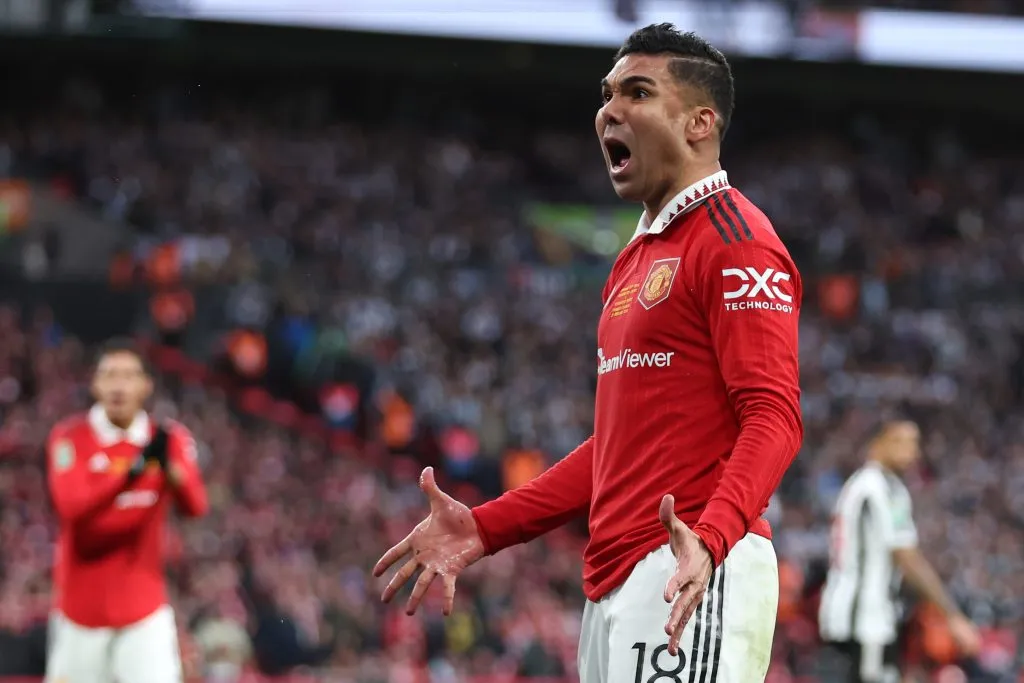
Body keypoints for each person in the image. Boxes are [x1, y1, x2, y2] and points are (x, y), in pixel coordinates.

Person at [374, 23, 803, 683]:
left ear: (699, 122)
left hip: (689, 568)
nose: (610, 110)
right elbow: (616, 447)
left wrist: (711, 540)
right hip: (617, 581)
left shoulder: (736, 238)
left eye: (638, 92)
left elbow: (774, 416)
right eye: (607, 94)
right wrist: (485, 528)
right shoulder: (635, 258)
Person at [45, 338, 209, 683]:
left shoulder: (169, 440)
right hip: (80, 616)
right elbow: (71, 508)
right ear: (94, 383)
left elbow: (196, 506)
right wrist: (134, 472)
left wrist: (172, 471)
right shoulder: (69, 438)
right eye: (109, 375)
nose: (119, 385)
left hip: (143, 614)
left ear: (146, 384)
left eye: (129, 375)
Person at [818, 419, 981, 682]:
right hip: (866, 620)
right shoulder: (883, 487)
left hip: (845, 613)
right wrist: (953, 616)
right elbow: (906, 556)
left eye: (915, 444)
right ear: (876, 443)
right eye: (901, 442)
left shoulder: (858, 484)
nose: (912, 452)